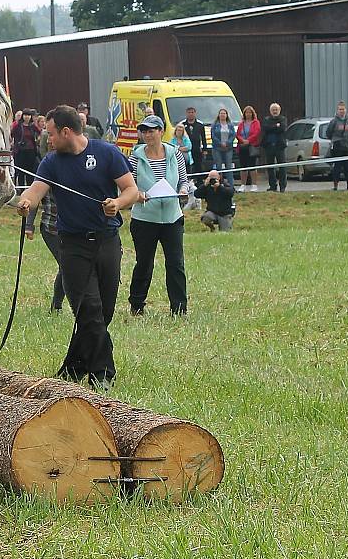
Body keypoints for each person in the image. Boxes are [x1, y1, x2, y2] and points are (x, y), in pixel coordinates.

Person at [17, 105, 139, 390]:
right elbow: (35, 191)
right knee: (89, 308)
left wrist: (117, 204)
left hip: (107, 241)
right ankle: (103, 375)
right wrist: (25, 202)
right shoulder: (51, 162)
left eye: (50, 134)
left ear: (66, 131)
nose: (47, 139)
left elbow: (131, 190)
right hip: (72, 245)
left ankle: (74, 366)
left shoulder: (106, 153)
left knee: (102, 312)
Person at [127, 115, 189, 317]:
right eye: (144, 131)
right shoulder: (135, 157)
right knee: (144, 263)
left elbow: (184, 180)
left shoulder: (175, 154)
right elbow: (129, 185)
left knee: (176, 263)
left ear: (161, 132)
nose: (147, 134)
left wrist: (184, 190)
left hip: (172, 217)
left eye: (152, 130)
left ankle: (179, 308)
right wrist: (138, 195)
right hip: (145, 219)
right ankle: (137, 304)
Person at [26, 189, 66, 314]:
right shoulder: (47, 171)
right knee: (66, 265)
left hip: (74, 230)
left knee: (70, 266)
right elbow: (34, 198)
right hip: (51, 229)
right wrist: (28, 225)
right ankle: (57, 306)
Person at [325, 101, 348, 191]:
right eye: (340, 109)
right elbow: (328, 133)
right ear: (337, 110)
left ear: (345, 110)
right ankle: (335, 185)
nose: (341, 111)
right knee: (337, 167)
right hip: (338, 147)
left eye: (343, 109)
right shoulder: (334, 121)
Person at [11, 108, 41, 192]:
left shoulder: (32, 126)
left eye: (28, 115)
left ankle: (29, 189)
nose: (27, 117)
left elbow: (40, 133)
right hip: (20, 151)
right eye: (25, 115)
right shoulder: (17, 126)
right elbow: (12, 135)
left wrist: (37, 139)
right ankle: (21, 190)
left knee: (29, 172)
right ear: (22, 116)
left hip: (31, 151)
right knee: (20, 171)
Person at [261, 103, 288, 192]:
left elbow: (282, 128)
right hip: (269, 146)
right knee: (270, 167)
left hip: (279, 146)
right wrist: (275, 126)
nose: (275, 111)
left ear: (279, 111)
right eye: (273, 110)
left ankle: (283, 186)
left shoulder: (283, 119)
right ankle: (272, 186)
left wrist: (273, 127)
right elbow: (265, 128)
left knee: (282, 167)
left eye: (276, 110)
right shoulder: (266, 119)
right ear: (270, 111)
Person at [236, 106, 261, 192]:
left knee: (252, 166)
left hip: (251, 146)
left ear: (252, 113)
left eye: (250, 112)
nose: (248, 114)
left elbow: (256, 133)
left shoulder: (256, 122)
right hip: (242, 147)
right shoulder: (241, 124)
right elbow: (238, 134)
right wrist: (242, 140)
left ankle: (254, 185)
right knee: (243, 166)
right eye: (246, 112)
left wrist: (248, 140)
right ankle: (243, 185)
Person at [210, 108, 235, 187]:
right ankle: (219, 185)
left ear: (227, 115)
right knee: (219, 167)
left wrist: (227, 143)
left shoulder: (230, 125)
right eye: (221, 113)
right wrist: (220, 143)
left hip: (228, 148)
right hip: (217, 148)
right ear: (219, 115)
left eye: (224, 113)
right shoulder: (215, 125)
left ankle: (231, 185)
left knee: (229, 167)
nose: (222, 115)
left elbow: (233, 135)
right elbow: (213, 136)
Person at [182, 107, 208, 177]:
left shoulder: (200, 125)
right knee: (187, 167)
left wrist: (205, 149)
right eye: (189, 112)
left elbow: (203, 138)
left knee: (198, 166)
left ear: (195, 113)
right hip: (186, 150)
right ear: (186, 114)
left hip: (197, 149)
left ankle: (199, 182)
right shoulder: (182, 124)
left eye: (192, 112)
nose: (191, 114)